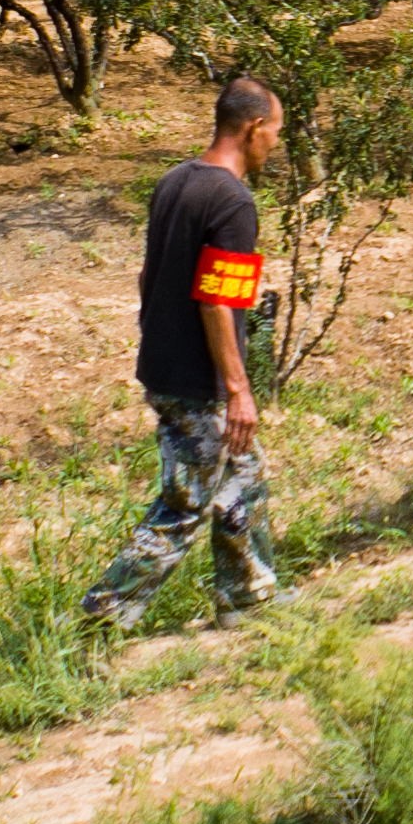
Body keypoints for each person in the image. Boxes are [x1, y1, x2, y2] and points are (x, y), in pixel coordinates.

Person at [86, 73, 290, 630]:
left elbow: (148, 275)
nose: (275, 144)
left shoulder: (176, 181)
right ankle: (102, 616)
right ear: (253, 128)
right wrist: (237, 389)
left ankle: (248, 597)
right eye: (275, 132)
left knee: (244, 475)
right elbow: (216, 301)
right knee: (184, 506)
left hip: (165, 367)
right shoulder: (232, 201)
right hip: (199, 381)